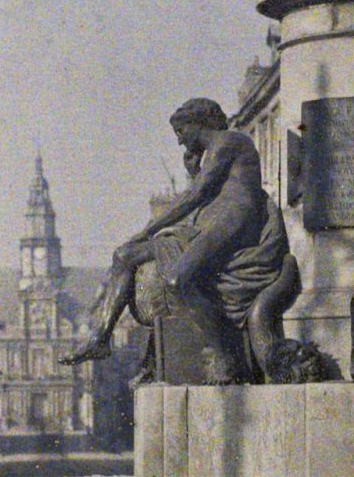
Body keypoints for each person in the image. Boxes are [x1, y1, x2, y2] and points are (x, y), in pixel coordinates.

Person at [64, 98, 292, 369]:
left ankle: (224, 355)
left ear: (199, 124)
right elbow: (202, 191)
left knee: (177, 280)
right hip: (209, 224)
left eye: (181, 132)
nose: (180, 141)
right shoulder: (213, 151)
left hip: (234, 223)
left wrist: (147, 231)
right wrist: (193, 169)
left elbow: (196, 195)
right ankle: (100, 337)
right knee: (123, 255)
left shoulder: (229, 141)